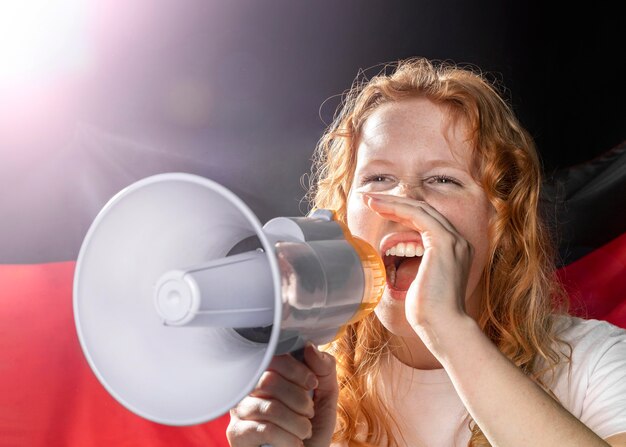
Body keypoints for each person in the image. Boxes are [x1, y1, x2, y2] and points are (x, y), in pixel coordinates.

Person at [226, 57, 626, 446]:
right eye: (379, 177)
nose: (406, 202)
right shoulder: (302, 388)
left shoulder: (595, 363)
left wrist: (448, 330)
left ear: (501, 222)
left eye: (443, 179)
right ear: (343, 213)